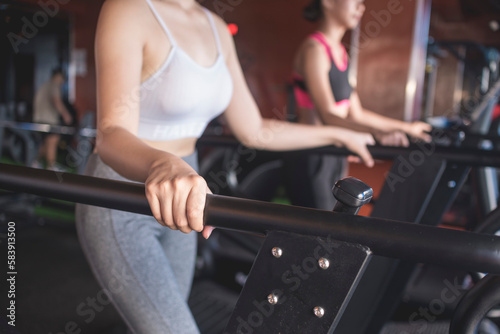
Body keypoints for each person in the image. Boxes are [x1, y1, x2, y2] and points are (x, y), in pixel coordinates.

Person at [75, 0, 376, 333]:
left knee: (160, 320)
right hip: (125, 193)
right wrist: (164, 163)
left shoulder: (216, 27)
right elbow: (111, 134)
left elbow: (255, 130)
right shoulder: (129, 9)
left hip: (186, 191)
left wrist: (336, 133)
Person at [286, 0, 433, 210]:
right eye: (355, 1)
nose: (361, 8)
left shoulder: (340, 52)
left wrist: (407, 127)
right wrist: (376, 133)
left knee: (336, 223)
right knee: (319, 230)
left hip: (336, 153)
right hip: (312, 156)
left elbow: (357, 113)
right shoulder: (314, 49)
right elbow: (328, 115)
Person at [32, 68, 73, 171]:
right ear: (58, 76)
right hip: (48, 120)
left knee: (46, 142)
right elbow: (56, 101)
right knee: (53, 140)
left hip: (39, 119)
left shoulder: (45, 85)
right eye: (62, 78)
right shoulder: (54, 85)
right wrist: (66, 115)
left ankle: (36, 163)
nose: (63, 81)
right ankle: (51, 166)